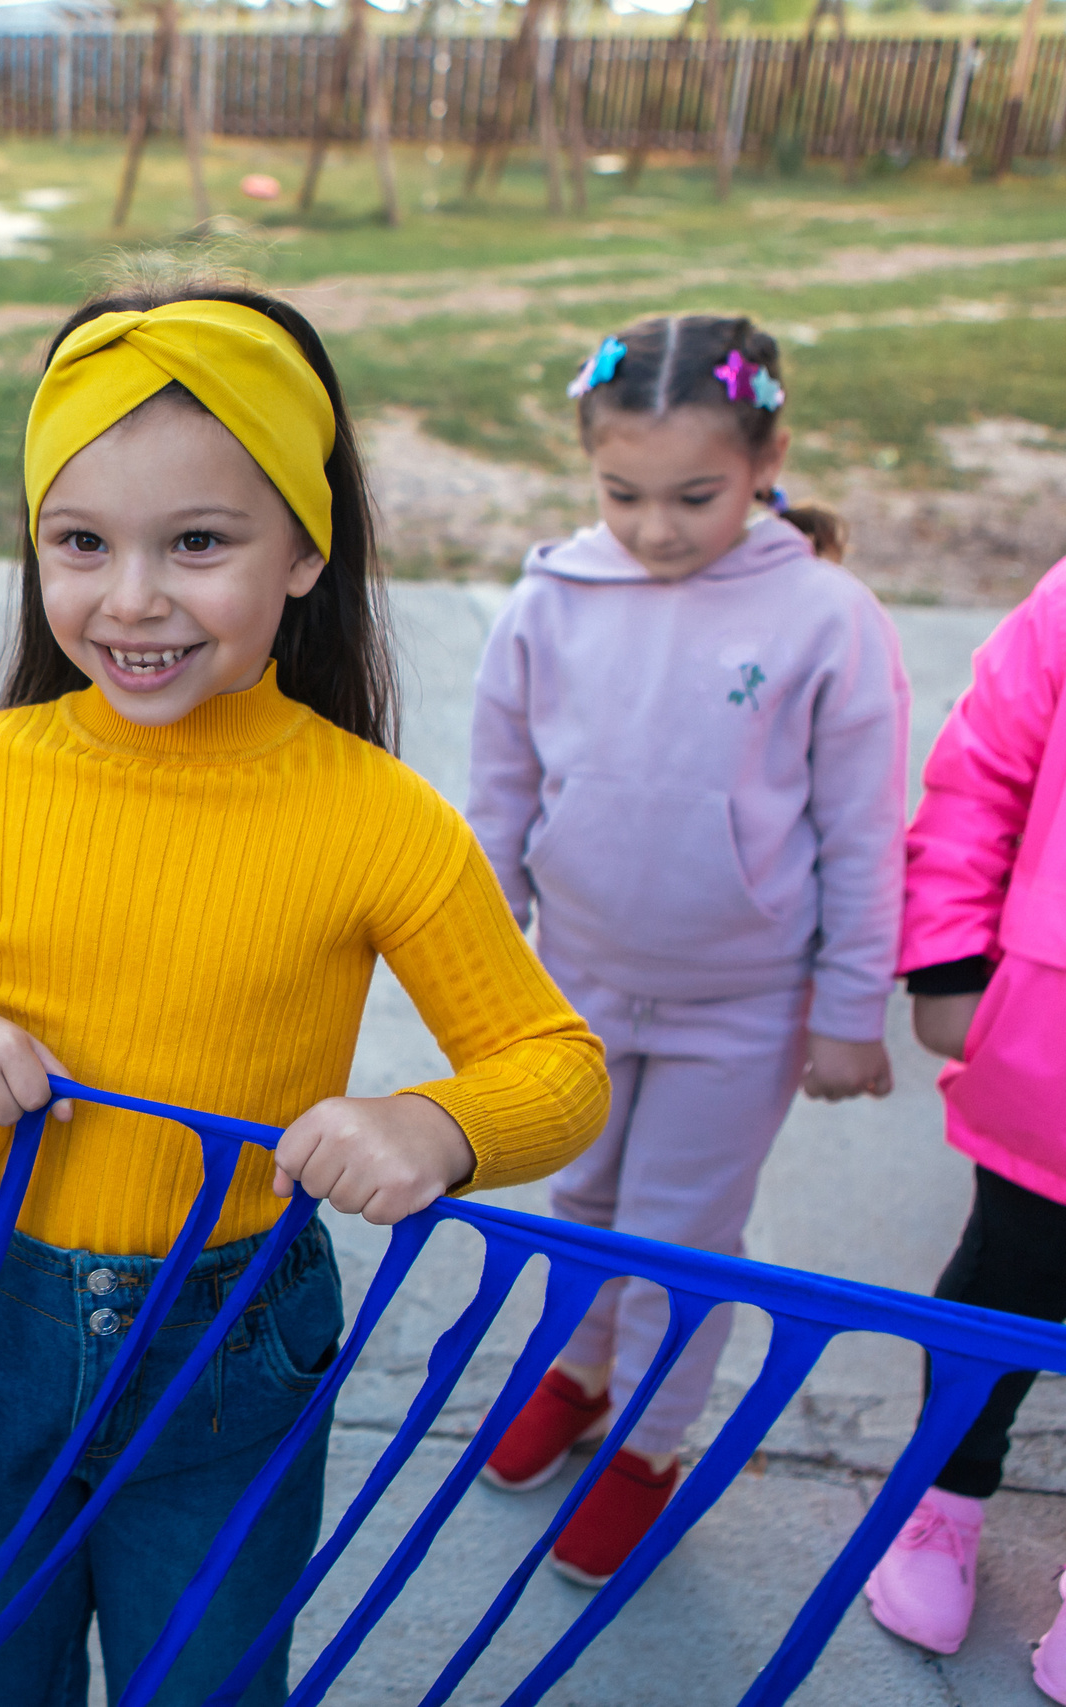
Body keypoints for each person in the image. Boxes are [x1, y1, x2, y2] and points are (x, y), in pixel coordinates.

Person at [0, 283, 612, 1707]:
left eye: (198, 542)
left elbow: (556, 1065)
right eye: (82, 542)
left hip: (232, 1337)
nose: (131, 598)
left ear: (304, 549)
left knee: (207, 1683)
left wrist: (431, 1126)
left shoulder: (378, 815)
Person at [469, 314, 910, 1584]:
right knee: (581, 1200)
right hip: (577, 981)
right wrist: (486, 948)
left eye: (695, 495)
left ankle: (651, 1442)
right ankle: (577, 1371)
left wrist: (847, 1010)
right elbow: (498, 789)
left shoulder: (827, 616)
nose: (656, 527)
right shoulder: (548, 600)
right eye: (623, 493)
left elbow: (863, 833)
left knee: (677, 1232)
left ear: (770, 454)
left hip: (745, 1007)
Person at [861, 557, 1066, 1699]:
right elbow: (982, 768)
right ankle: (941, 1496)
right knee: (1005, 1285)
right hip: (1053, 1056)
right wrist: (947, 963)